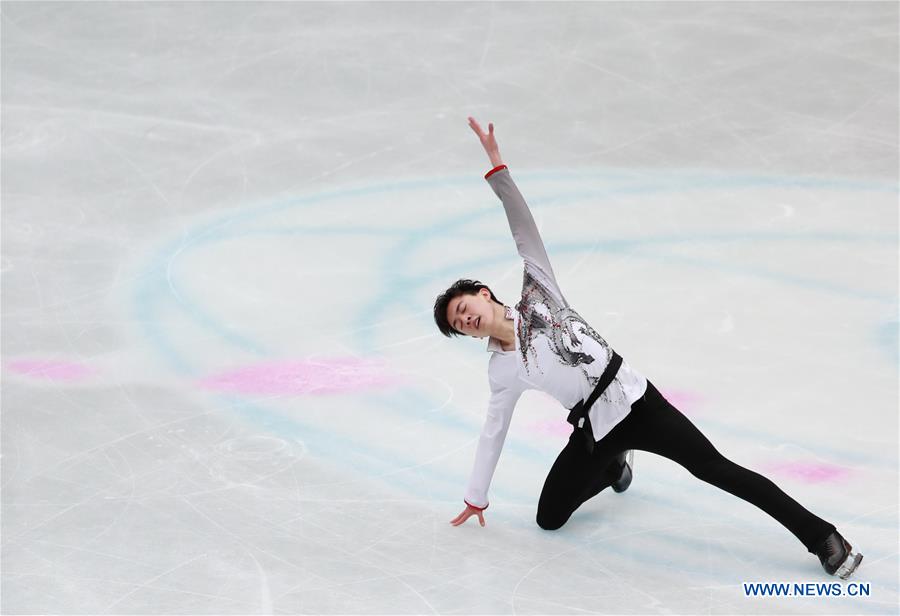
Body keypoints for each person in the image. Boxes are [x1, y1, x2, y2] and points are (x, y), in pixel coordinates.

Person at [432, 116, 863, 580]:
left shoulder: (538, 289)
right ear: (469, 335)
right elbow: (492, 431)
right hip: (595, 431)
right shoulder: (501, 371)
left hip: (637, 403)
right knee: (549, 517)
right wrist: (477, 495)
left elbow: (523, 227)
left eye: (463, 306)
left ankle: (823, 537)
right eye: (459, 324)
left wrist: (499, 171)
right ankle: (613, 469)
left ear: (482, 293)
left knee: (715, 469)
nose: (466, 318)